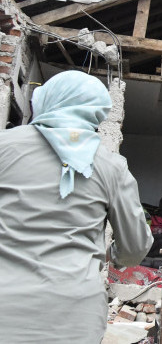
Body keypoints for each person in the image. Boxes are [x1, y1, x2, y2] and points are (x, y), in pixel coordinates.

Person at [0, 70, 153, 344]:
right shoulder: (111, 166)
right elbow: (135, 249)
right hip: (73, 315)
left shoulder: (4, 147)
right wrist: (110, 254)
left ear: (44, 100)